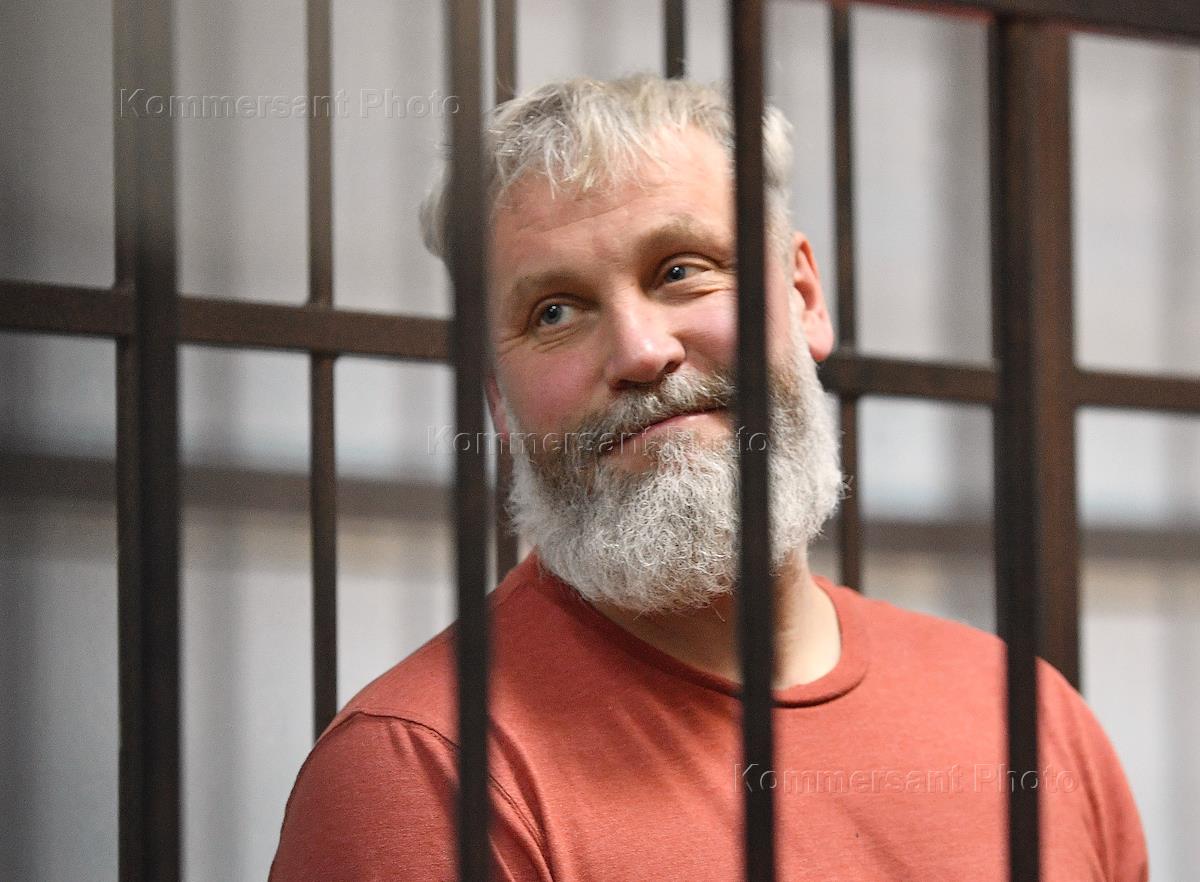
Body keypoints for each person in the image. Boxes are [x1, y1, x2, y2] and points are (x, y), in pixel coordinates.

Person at [269, 73, 1148, 881]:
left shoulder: (1027, 715)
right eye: (555, 312)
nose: (640, 352)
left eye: (681, 270)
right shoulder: (423, 776)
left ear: (803, 297)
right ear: (497, 397)